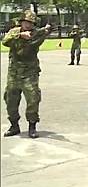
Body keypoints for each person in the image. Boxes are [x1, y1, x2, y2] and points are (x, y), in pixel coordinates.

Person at [2, 10, 52, 138]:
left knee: (33, 98)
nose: (28, 25)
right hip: (14, 72)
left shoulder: (37, 34)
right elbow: (5, 41)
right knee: (10, 99)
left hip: (30, 72)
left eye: (31, 23)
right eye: (26, 22)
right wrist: (20, 35)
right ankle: (14, 125)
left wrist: (46, 31)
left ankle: (32, 126)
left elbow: (40, 38)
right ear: (21, 22)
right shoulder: (15, 31)